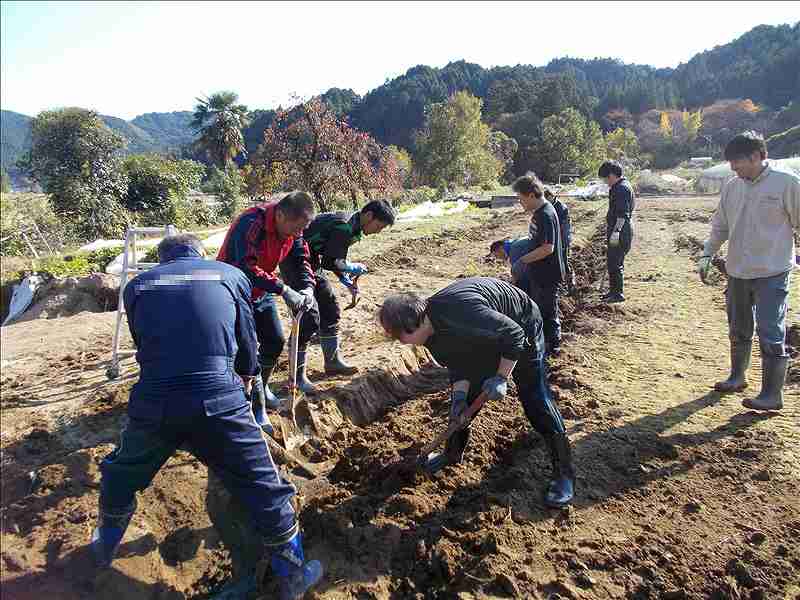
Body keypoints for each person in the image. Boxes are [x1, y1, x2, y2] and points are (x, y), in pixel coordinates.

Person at [92, 234, 322, 598]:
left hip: (154, 402)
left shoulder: (136, 286)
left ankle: (102, 548)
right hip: (218, 398)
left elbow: (144, 343)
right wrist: (247, 379)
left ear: (162, 259)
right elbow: (247, 339)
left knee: (120, 474)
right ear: (200, 254)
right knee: (265, 485)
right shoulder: (230, 275)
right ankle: (293, 574)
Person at [378, 277, 576, 508]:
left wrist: (501, 377)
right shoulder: (430, 335)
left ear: (414, 322)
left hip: (522, 324)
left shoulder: (462, 310)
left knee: (535, 398)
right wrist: (460, 398)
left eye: (400, 336)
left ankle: (564, 474)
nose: (401, 342)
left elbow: (514, 334)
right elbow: (459, 365)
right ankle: (452, 453)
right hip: (486, 335)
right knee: (462, 404)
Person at [698, 131, 800, 411]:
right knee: (738, 328)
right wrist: (708, 252)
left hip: (772, 271)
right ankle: (737, 377)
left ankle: (771, 394)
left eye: (737, 162)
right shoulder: (733, 186)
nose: (733, 167)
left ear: (757, 156)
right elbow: (721, 225)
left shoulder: (787, 184)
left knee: (770, 331)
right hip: (738, 271)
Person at [217, 191, 317, 429]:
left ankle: (263, 389)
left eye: (303, 229)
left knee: (274, 341)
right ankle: (256, 408)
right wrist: (284, 289)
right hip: (234, 292)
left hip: (261, 291)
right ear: (280, 215)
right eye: (296, 228)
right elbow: (245, 267)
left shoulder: (295, 231)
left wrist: (307, 288)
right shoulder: (251, 223)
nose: (299, 234)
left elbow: (302, 259)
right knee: (248, 352)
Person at [280, 199, 396, 382]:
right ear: (369, 216)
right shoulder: (344, 226)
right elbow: (332, 261)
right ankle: (297, 376)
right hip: (294, 261)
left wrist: (346, 279)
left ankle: (333, 362)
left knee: (330, 307)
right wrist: (352, 267)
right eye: (379, 226)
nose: (377, 232)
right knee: (308, 317)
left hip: (311, 261)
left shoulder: (353, 226)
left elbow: (331, 256)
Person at [511, 174, 565, 356]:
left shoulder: (546, 215)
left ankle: (553, 346)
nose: (521, 203)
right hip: (538, 272)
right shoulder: (539, 213)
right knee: (539, 310)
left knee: (547, 312)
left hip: (547, 274)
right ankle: (542, 343)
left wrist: (523, 260)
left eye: (521, 199)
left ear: (532, 195)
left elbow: (548, 248)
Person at [598, 160, 635, 303]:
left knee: (615, 262)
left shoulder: (622, 189)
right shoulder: (618, 187)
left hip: (621, 231)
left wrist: (616, 232)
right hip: (618, 229)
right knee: (613, 261)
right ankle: (613, 291)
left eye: (606, 178)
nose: (606, 181)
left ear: (612, 175)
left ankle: (617, 294)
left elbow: (622, 214)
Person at [544, 187, 576, 294]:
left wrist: (561, 242)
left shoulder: (561, 208)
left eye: (546, 198)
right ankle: (558, 285)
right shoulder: (548, 207)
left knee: (564, 261)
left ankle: (570, 284)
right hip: (553, 241)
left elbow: (563, 228)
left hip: (562, 240)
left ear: (550, 196)